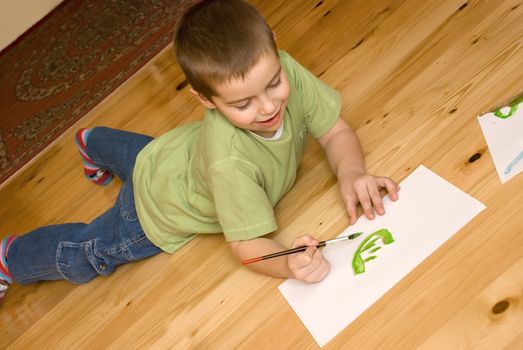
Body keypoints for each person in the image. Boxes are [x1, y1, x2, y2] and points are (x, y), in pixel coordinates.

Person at [0, 0, 400, 306]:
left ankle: (93, 143)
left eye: (274, 83)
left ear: (275, 50)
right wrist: (286, 263)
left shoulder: (285, 70)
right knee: (85, 253)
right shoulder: (229, 162)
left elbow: (334, 131)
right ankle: (10, 257)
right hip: (156, 212)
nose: (267, 107)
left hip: (172, 154)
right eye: (242, 105)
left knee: (146, 158)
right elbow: (246, 248)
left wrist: (351, 172)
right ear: (205, 99)